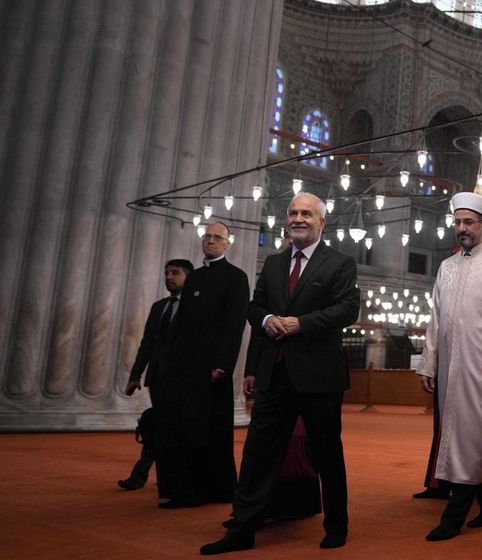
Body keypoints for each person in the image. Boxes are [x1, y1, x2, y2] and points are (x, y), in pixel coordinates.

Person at [200, 192, 360, 554]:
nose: (298, 218)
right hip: (275, 374)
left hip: (319, 376)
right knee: (258, 453)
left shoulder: (340, 263)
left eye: (306, 213)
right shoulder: (272, 264)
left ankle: (336, 524)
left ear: (321, 222)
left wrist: (300, 323)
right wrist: (269, 319)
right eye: (292, 213)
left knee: (326, 454)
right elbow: (255, 307)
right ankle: (242, 528)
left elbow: (348, 309)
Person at [417, 192, 482, 541]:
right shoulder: (446, 266)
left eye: (468, 223)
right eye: (457, 222)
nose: (461, 228)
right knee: (461, 435)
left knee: (472, 436)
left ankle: (454, 516)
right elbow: (435, 319)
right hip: (449, 365)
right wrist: (428, 363)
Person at [160, 222, 250, 508]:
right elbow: (181, 323)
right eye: (207, 236)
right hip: (183, 365)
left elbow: (234, 325)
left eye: (217, 237)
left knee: (207, 429)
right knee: (183, 428)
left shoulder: (236, 277)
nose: (210, 241)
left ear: (228, 243)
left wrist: (223, 362)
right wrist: (170, 360)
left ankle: (216, 489)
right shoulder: (195, 278)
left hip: (213, 368)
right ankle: (185, 489)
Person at [121, 259, 194, 493]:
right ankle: (142, 474)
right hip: (158, 379)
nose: (169, 277)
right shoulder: (158, 307)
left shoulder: (195, 307)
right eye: (167, 273)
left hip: (185, 380)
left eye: (175, 273)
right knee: (158, 425)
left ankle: (171, 478)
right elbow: (147, 344)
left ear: (189, 277)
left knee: (178, 429)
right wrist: (135, 375)